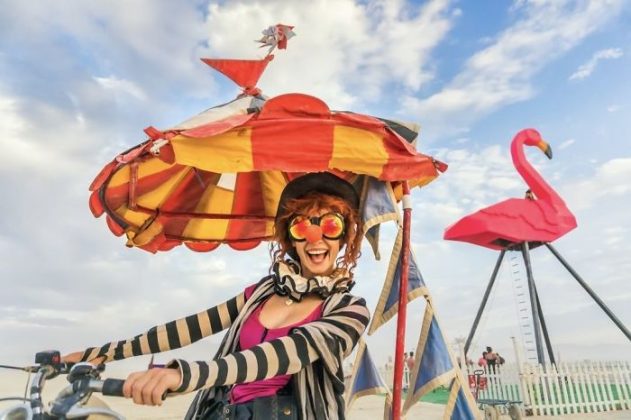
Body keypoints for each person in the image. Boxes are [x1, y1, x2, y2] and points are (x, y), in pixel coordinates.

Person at [61, 172, 370, 420]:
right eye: (302, 226)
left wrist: (184, 375)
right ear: (291, 237)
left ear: (344, 236)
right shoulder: (261, 292)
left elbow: (287, 353)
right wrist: (100, 353)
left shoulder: (349, 310)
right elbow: (186, 329)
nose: (316, 239)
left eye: (330, 224)